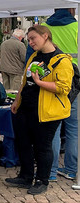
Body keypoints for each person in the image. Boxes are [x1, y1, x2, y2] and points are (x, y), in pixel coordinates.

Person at [5, 25, 73, 195]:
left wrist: (40, 83)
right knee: (24, 142)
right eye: (28, 40)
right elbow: (24, 80)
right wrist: (17, 100)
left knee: (43, 146)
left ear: (45, 36)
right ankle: (26, 176)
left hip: (47, 111)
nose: (30, 42)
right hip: (26, 107)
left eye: (33, 38)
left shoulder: (62, 60)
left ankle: (42, 180)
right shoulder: (35, 56)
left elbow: (64, 87)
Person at [45, 8, 79, 182]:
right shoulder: (77, 27)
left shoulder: (44, 28)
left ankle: (50, 171)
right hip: (75, 83)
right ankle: (72, 170)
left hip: (51, 84)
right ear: (72, 10)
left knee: (53, 129)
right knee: (74, 129)